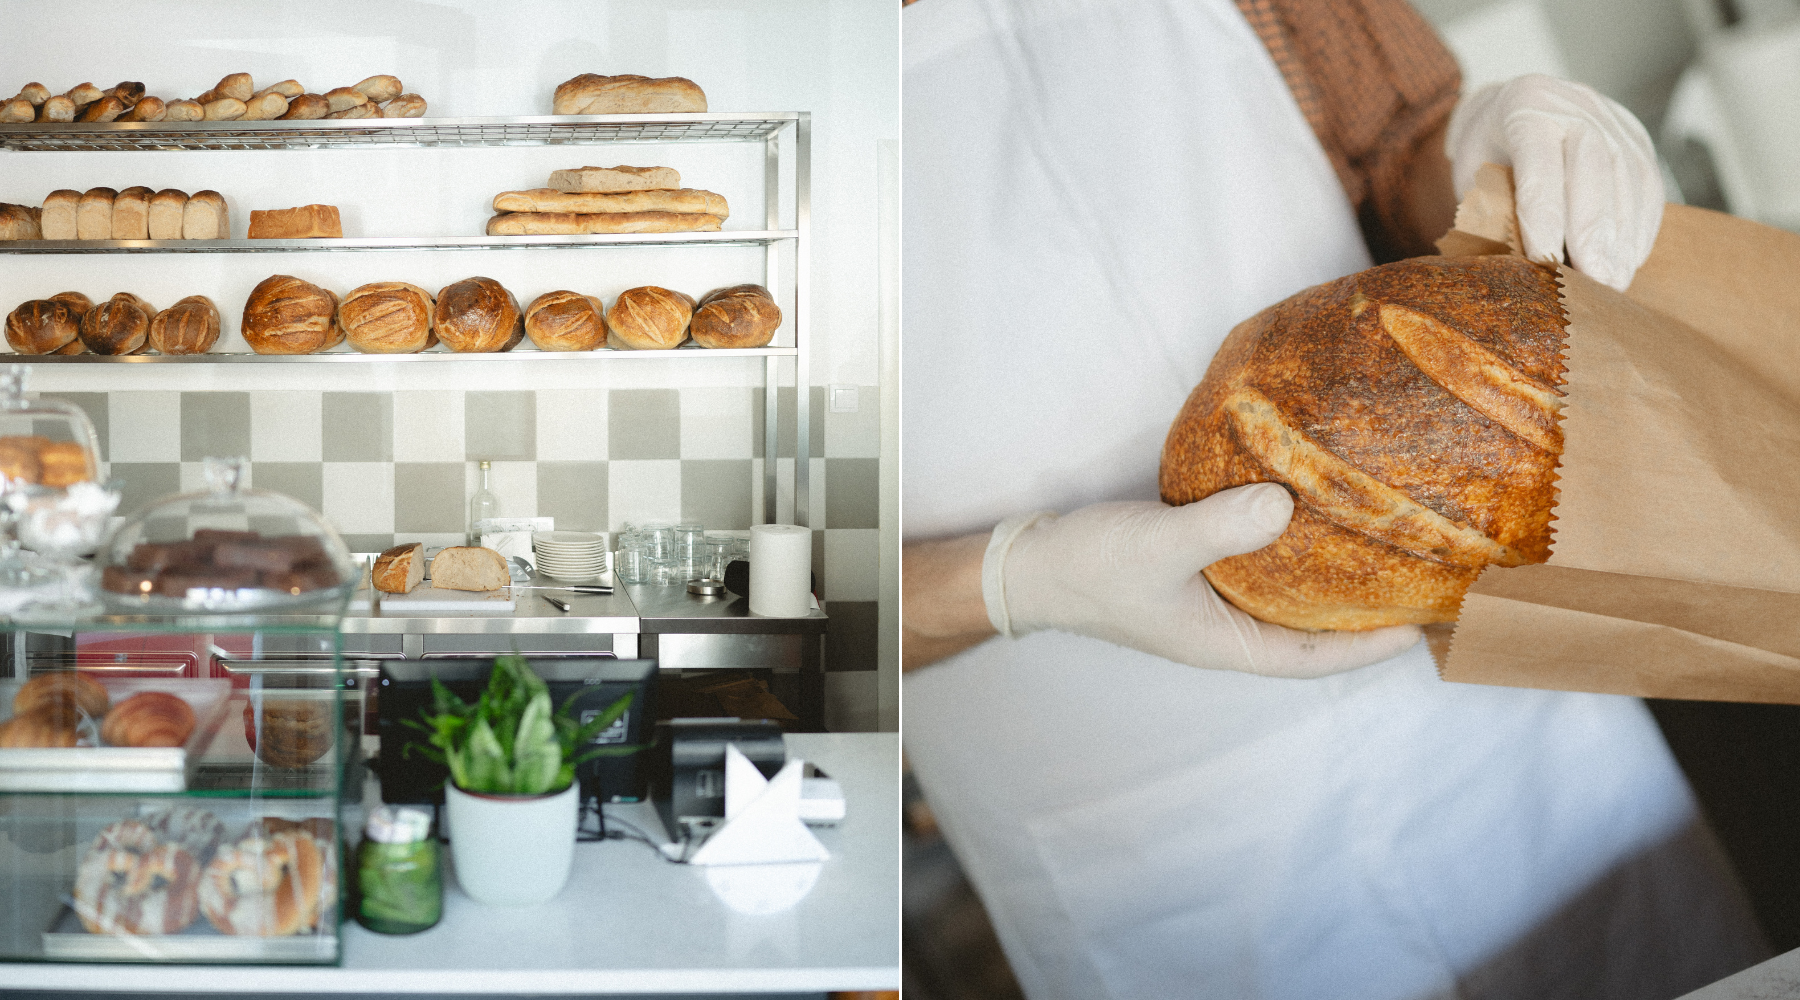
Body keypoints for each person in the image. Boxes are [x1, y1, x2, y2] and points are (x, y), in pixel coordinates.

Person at [900, 1, 1769, 998]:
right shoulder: (696, 82)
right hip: (1140, 852)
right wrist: (1018, 580)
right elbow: (710, 598)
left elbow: (1399, 154)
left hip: (1503, 725)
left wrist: (1498, 150)